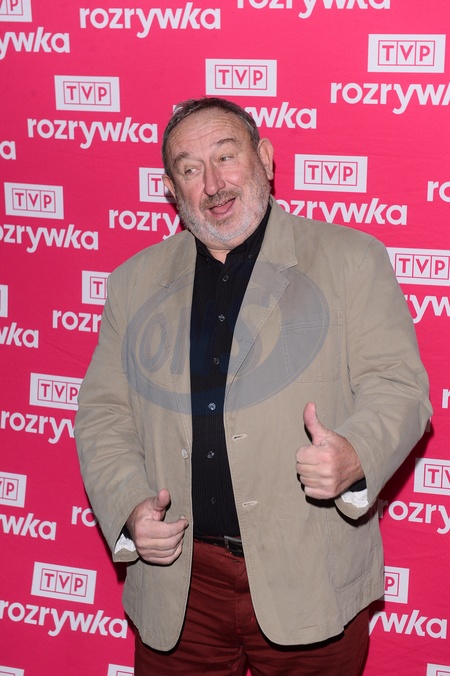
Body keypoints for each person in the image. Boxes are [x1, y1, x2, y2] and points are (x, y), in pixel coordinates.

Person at [75, 97, 432, 675]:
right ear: (171, 190)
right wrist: (131, 506)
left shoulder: (350, 260)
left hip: (309, 577)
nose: (213, 183)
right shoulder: (132, 284)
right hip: (179, 587)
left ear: (264, 158)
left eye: (226, 156)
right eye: (190, 169)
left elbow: (398, 386)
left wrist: (355, 454)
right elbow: (103, 414)